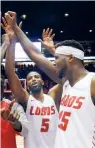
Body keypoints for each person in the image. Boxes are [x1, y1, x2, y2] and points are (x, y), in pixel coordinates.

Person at [3, 11, 95, 148]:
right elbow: (35, 55)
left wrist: (53, 50)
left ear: (70, 58)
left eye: (56, 58)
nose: (54, 62)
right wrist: (15, 29)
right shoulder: (67, 84)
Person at [1, 16, 60, 148]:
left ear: (43, 82)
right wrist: (12, 43)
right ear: (26, 85)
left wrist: (53, 51)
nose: (33, 79)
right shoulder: (26, 99)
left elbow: (65, 76)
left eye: (36, 77)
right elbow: (10, 72)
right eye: (30, 78)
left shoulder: (53, 96)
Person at [0, 30, 29, 148]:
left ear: (3, 88)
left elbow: (26, 131)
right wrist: (5, 44)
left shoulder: (13, 106)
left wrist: (15, 122)